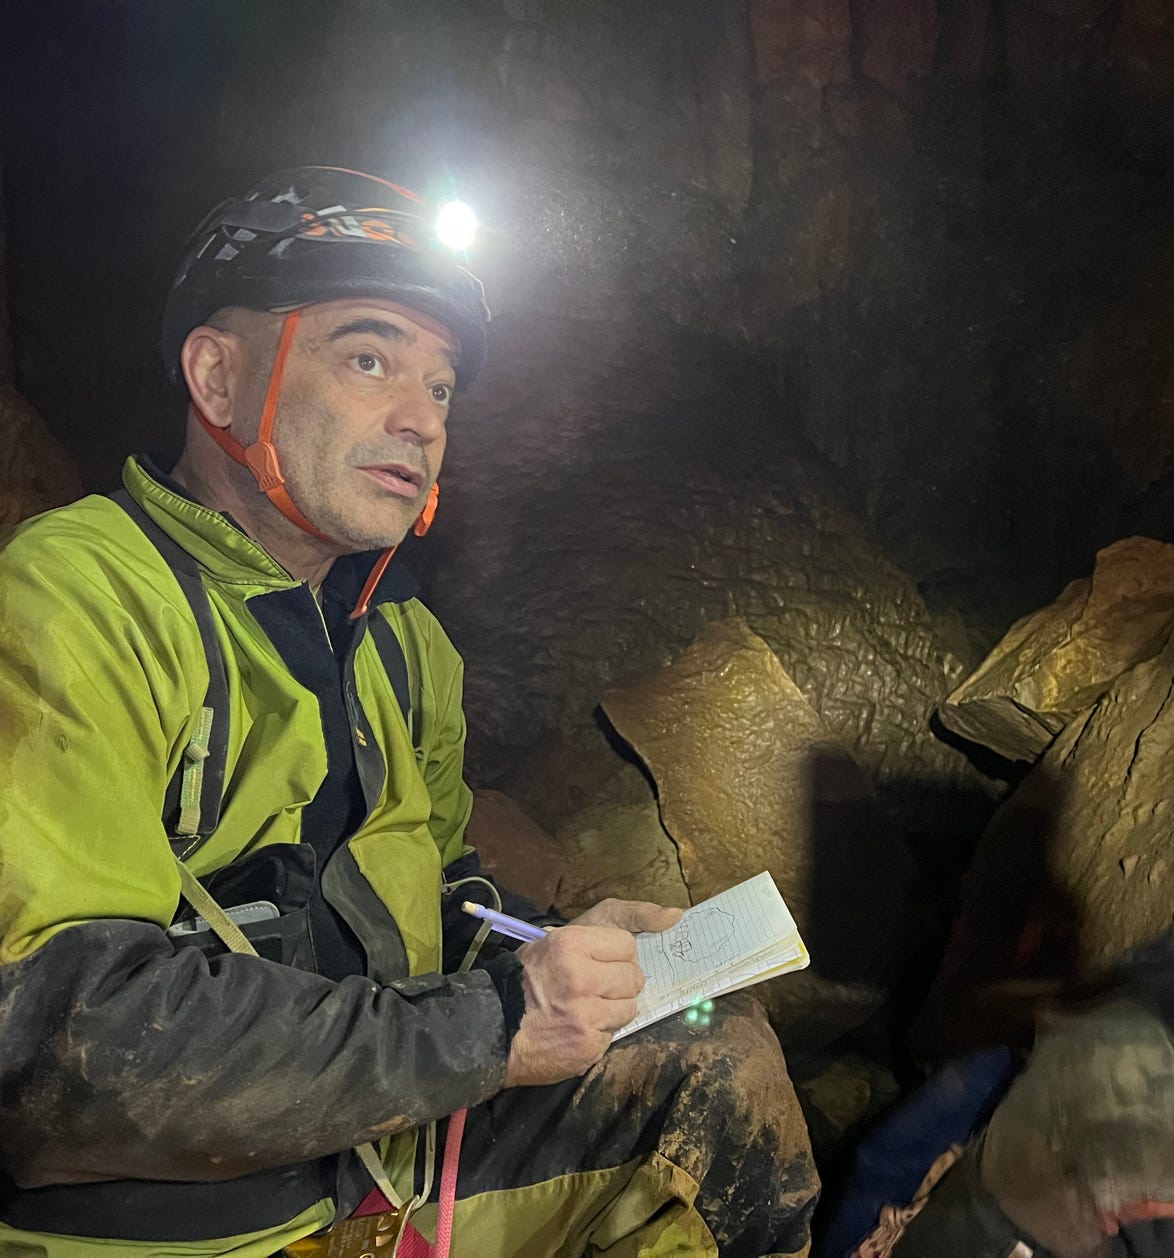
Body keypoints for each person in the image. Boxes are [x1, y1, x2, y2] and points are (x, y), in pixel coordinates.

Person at [0, 166, 818, 1257]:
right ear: (218, 375)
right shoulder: (77, 595)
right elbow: (56, 1043)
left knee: (716, 1062)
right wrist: (496, 1024)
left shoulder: (398, 642)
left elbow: (425, 895)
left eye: (438, 389)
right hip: (173, 1221)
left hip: (373, 1163)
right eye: (369, 357)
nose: (418, 420)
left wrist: (550, 940)